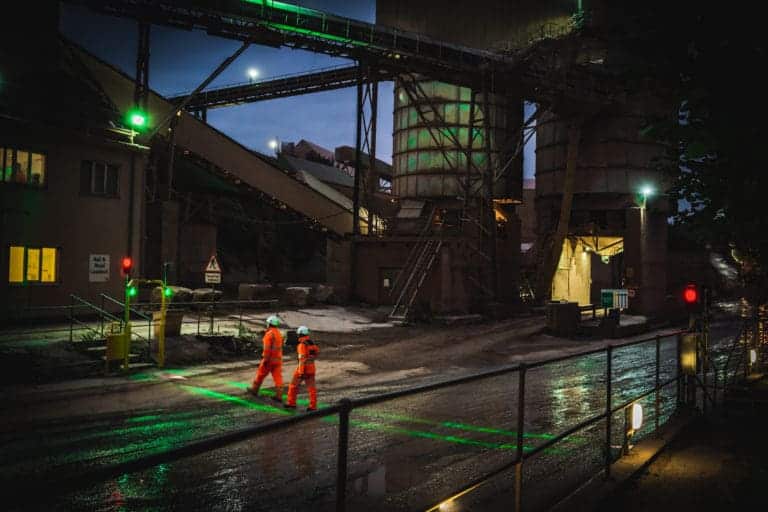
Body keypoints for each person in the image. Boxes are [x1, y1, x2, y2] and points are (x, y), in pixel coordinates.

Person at [248, 315, 284, 403]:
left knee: (260, 374)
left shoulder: (269, 334)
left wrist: (265, 360)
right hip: (278, 360)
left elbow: (267, 349)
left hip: (269, 360)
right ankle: (279, 395)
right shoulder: (279, 334)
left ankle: (254, 390)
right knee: (278, 377)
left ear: (269, 324)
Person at [284, 325, 319, 411]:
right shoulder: (312, 343)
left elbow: (302, 359)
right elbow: (317, 352)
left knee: (293, 385)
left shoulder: (301, 345)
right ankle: (313, 406)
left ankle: (291, 403)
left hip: (303, 369)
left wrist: (300, 372)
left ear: (300, 334)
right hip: (311, 368)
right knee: (311, 388)